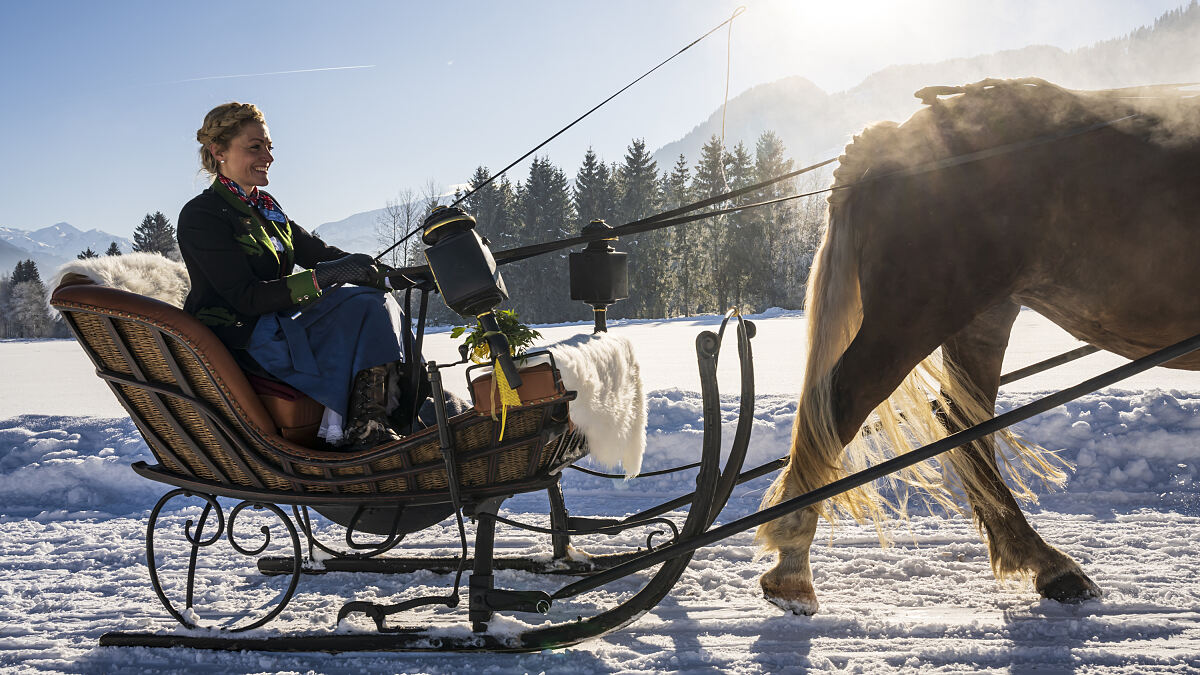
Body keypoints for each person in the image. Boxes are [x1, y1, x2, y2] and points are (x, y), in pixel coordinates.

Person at [178, 102, 444, 450]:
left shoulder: (266, 207)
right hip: (242, 336)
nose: (268, 157)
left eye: (269, 146)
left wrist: (385, 275)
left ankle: (400, 408)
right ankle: (365, 423)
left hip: (279, 322)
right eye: (255, 147)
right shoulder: (202, 215)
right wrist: (324, 277)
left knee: (372, 297)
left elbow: (319, 253)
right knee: (363, 304)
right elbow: (246, 297)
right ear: (219, 152)